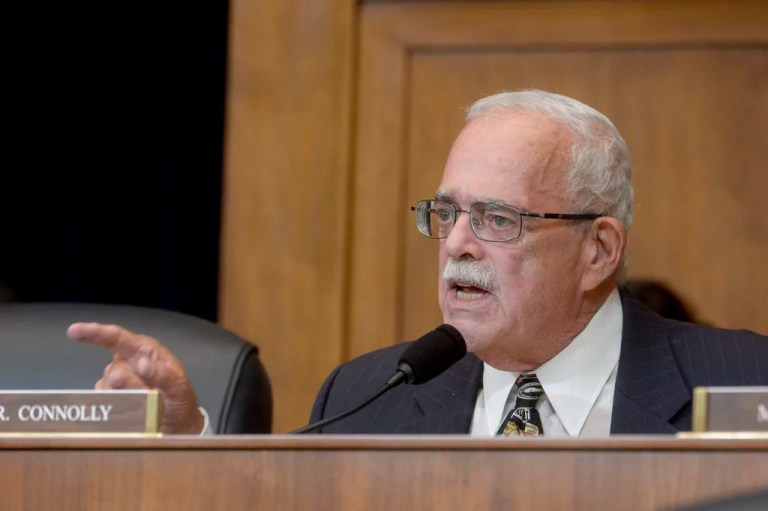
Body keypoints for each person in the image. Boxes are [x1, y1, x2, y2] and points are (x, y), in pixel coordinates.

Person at [68, 89, 768, 436]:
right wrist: (188, 445)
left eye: (498, 219)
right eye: (447, 212)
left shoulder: (743, 383)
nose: (458, 242)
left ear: (598, 250)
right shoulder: (365, 399)